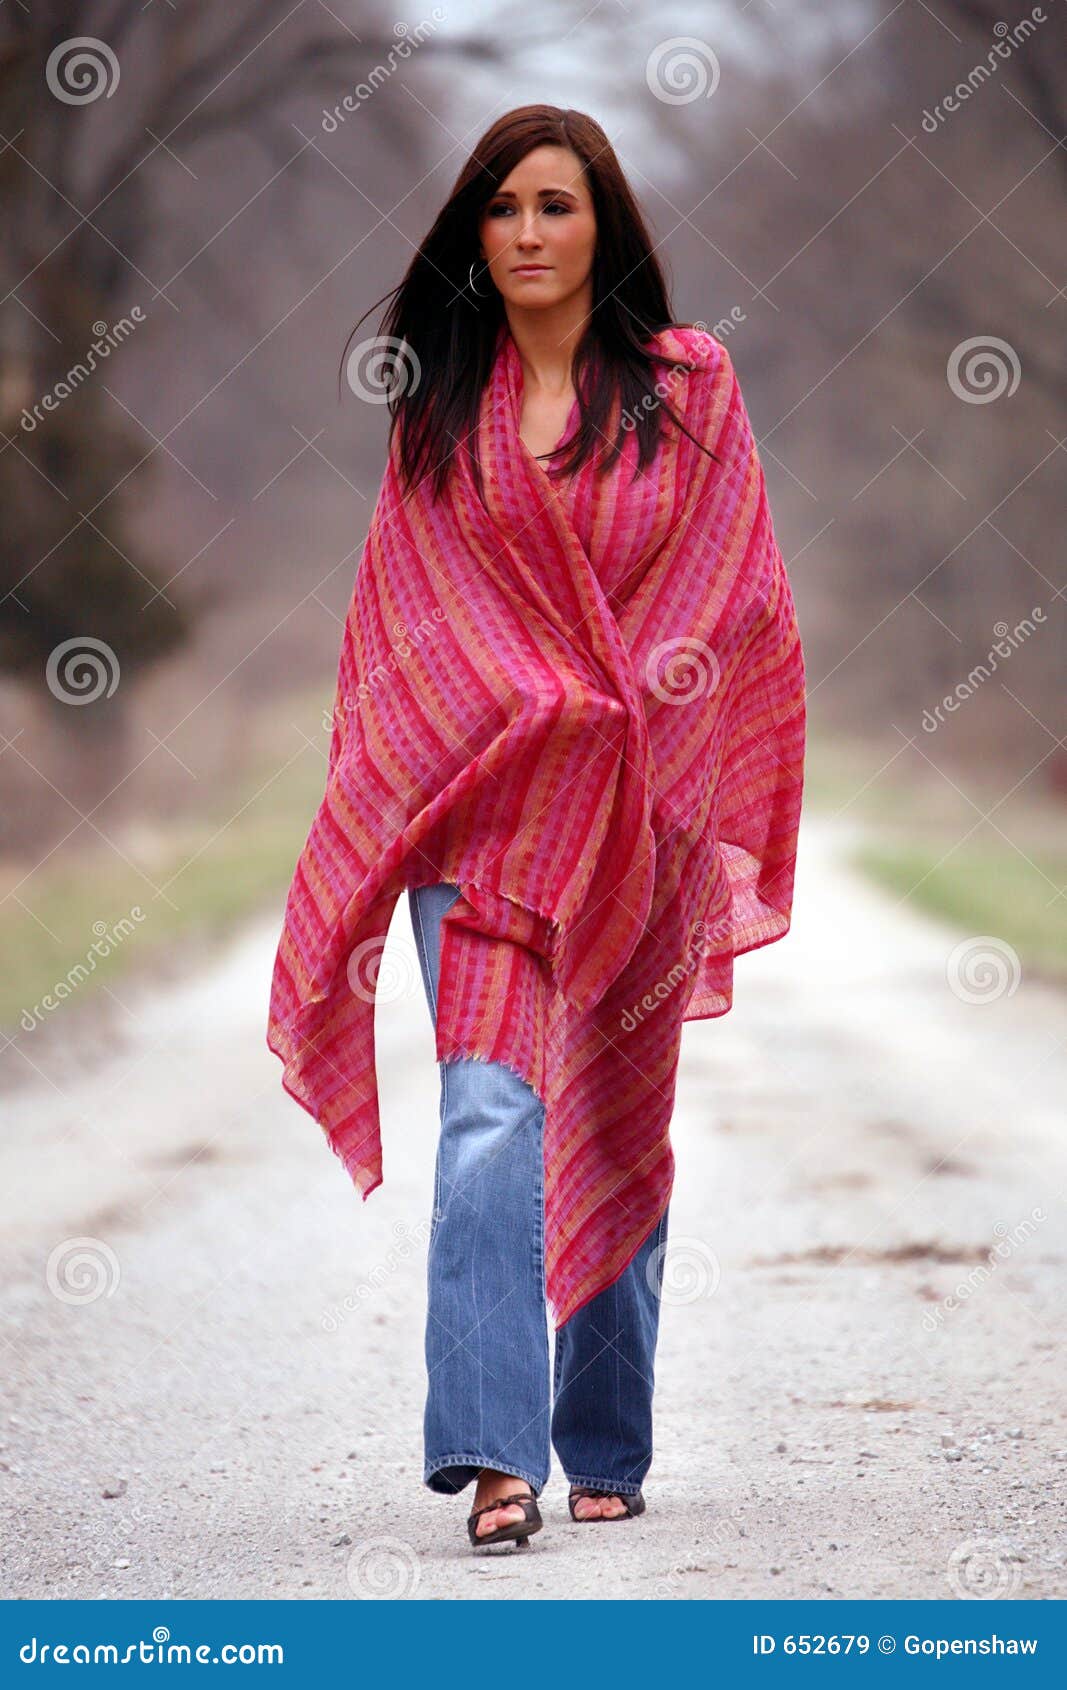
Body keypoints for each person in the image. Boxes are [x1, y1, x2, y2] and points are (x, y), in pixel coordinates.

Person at [267, 104, 806, 1553]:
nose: (525, 233)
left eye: (555, 207)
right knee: (493, 1116)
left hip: (636, 815)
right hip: (486, 817)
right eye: (501, 208)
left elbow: (734, 592)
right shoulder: (441, 403)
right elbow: (409, 625)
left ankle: (607, 1437)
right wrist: (510, 716)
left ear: (603, 223)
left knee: (620, 1111)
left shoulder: (690, 387)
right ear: (473, 230)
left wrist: (621, 716)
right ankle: (497, 1455)